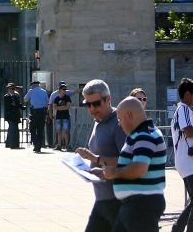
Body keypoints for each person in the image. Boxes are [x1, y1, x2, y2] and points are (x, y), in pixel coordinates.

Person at [89, 95, 166, 231]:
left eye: (119, 118)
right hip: (135, 205)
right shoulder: (140, 135)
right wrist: (105, 173)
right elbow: (132, 166)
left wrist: (113, 172)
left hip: (142, 205)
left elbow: (139, 169)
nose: (119, 123)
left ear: (129, 115)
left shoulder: (144, 135)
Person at [76, 80, 135, 232]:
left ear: (108, 99)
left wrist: (95, 159)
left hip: (118, 200)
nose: (91, 109)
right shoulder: (99, 121)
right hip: (103, 199)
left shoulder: (118, 123)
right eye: (87, 105)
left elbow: (128, 160)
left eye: (96, 104)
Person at [170, 77, 193, 232]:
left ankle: (177, 228)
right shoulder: (183, 109)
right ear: (187, 94)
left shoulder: (186, 109)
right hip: (188, 162)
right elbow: (188, 131)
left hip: (187, 162)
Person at [23, 79, 49, 152]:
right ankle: (39, 146)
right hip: (42, 112)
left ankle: (35, 144)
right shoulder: (43, 91)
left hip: (34, 113)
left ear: (32, 85)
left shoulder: (31, 91)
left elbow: (25, 100)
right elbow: (47, 102)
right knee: (40, 130)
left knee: (32, 129)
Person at [49, 81, 73, 151]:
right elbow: (55, 107)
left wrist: (60, 107)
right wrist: (63, 107)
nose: (64, 90)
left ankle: (67, 146)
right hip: (58, 116)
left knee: (66, 131)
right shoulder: (56, 98)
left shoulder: (67, 97)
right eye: (63, 89)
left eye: (65, 89)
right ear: (59, 90)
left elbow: (68, 107)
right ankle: (59, 145)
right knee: (58, 131)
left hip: (66, 116)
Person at [3, 83, 22, 149]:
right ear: (8, 89)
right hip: (10, 116)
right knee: (12, 129)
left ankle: (11, 143)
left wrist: (21, 107)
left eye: (13, 89)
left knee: (15, 129)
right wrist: (15, 105)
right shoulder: (6, 96)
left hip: (16, 115)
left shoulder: (16, 96)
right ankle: (12, 144)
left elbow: (18, 104)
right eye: (11, 89)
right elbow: (9, 106)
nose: (13, 90)